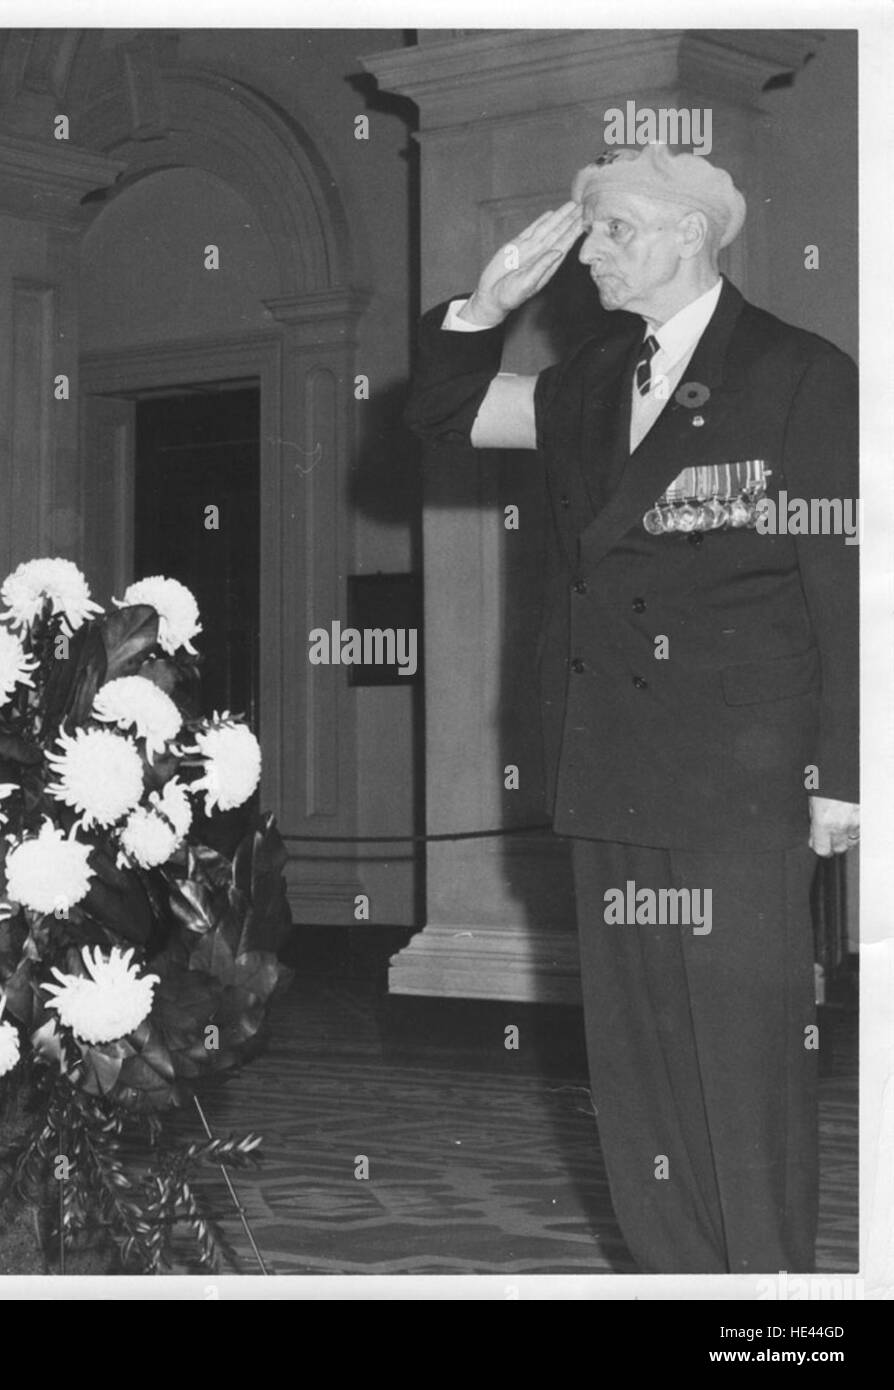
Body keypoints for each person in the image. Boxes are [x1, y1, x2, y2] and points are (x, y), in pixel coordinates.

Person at [404, 143, 859, 1274]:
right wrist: (484, 304)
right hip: (607, 763)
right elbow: (447, 415)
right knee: (641, 1064)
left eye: (613, 230)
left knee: (743, 1070)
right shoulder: (590, 380)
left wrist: (848, 774)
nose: (592, 254)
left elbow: (844, 577)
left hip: (744, 778)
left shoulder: (801, 370)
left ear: (689, 235)